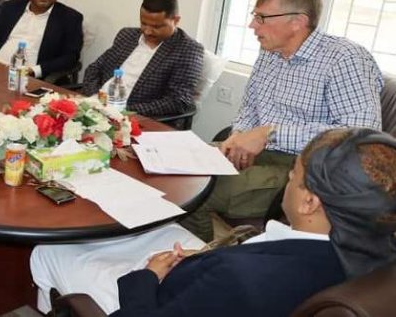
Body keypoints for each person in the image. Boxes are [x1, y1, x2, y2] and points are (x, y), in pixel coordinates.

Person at [31, 127, 396, 316]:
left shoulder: (243, 280)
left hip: (160, 296)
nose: (286, 180)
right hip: (215, 276)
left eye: (292, 176)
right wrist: (209, 257)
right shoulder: (377, 248)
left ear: (309, 201)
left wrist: (146, 277)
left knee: (51, 250)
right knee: (162, 227)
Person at [181, 0, 383, 242]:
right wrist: (239, 136)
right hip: (258, 152)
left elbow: (359, 135)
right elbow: (250, 106)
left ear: (297, 21)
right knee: (178, 168)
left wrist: (270, 133)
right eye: (254, 16)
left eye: (262, 18)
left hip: (305, 168)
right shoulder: (270, 53)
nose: (252, 25)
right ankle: (197, 249)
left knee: (192, 190)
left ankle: (202, 258)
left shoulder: (345, 58)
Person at [81, 0, 203, 118]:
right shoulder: (127, 35)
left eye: (156, 27)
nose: (148, 31)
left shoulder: (188, 50)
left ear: (176, 20)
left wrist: (125, 111)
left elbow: (178, 100)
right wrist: (96, 98)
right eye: (144, 24)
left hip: (133, 116)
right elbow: (94, 68)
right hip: (96, 104)